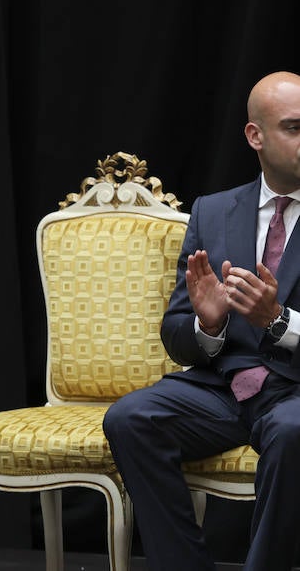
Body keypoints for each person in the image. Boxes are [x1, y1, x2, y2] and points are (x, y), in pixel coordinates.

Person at [104, 71, 300, 571]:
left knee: (293, 431)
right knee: (130, 418)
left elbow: (277, 324)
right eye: (294, 127)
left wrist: (277, 320)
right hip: (224, 385)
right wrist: (208, 326)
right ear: (256, 137)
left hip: (295, 392)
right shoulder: (213, 212)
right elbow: (176, 332)